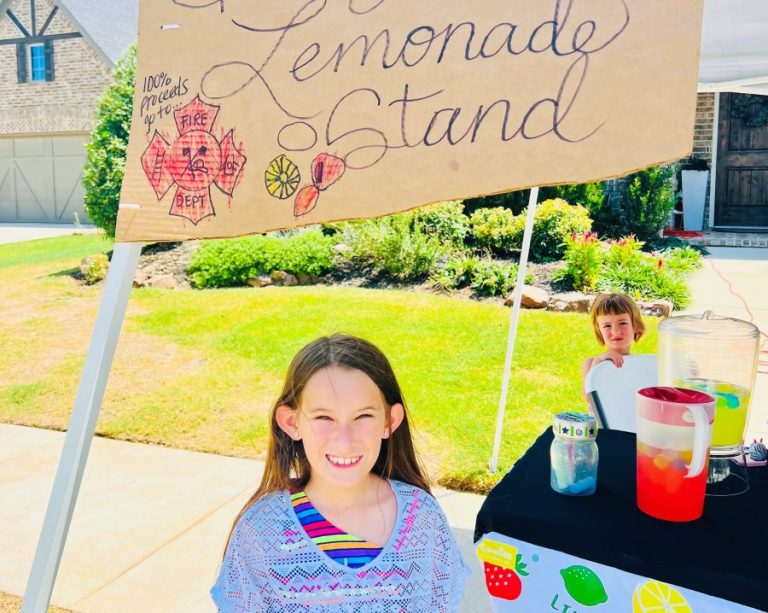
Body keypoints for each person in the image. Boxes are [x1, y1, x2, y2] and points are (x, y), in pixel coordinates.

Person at [211, 334, 469, 612]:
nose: (344, 440)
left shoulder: (423, 520)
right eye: (324, 417)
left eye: (363, 417)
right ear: (291, 422)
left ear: (389, 421)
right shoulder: (261, 531)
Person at [581, 292, 646, 395]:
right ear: (599, 331)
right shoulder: (590, 363)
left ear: (636, 325)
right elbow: (590, 399)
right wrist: (598, 362)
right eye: (607, 326)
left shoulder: (639, 366)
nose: (615, 331)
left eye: (622, 323)